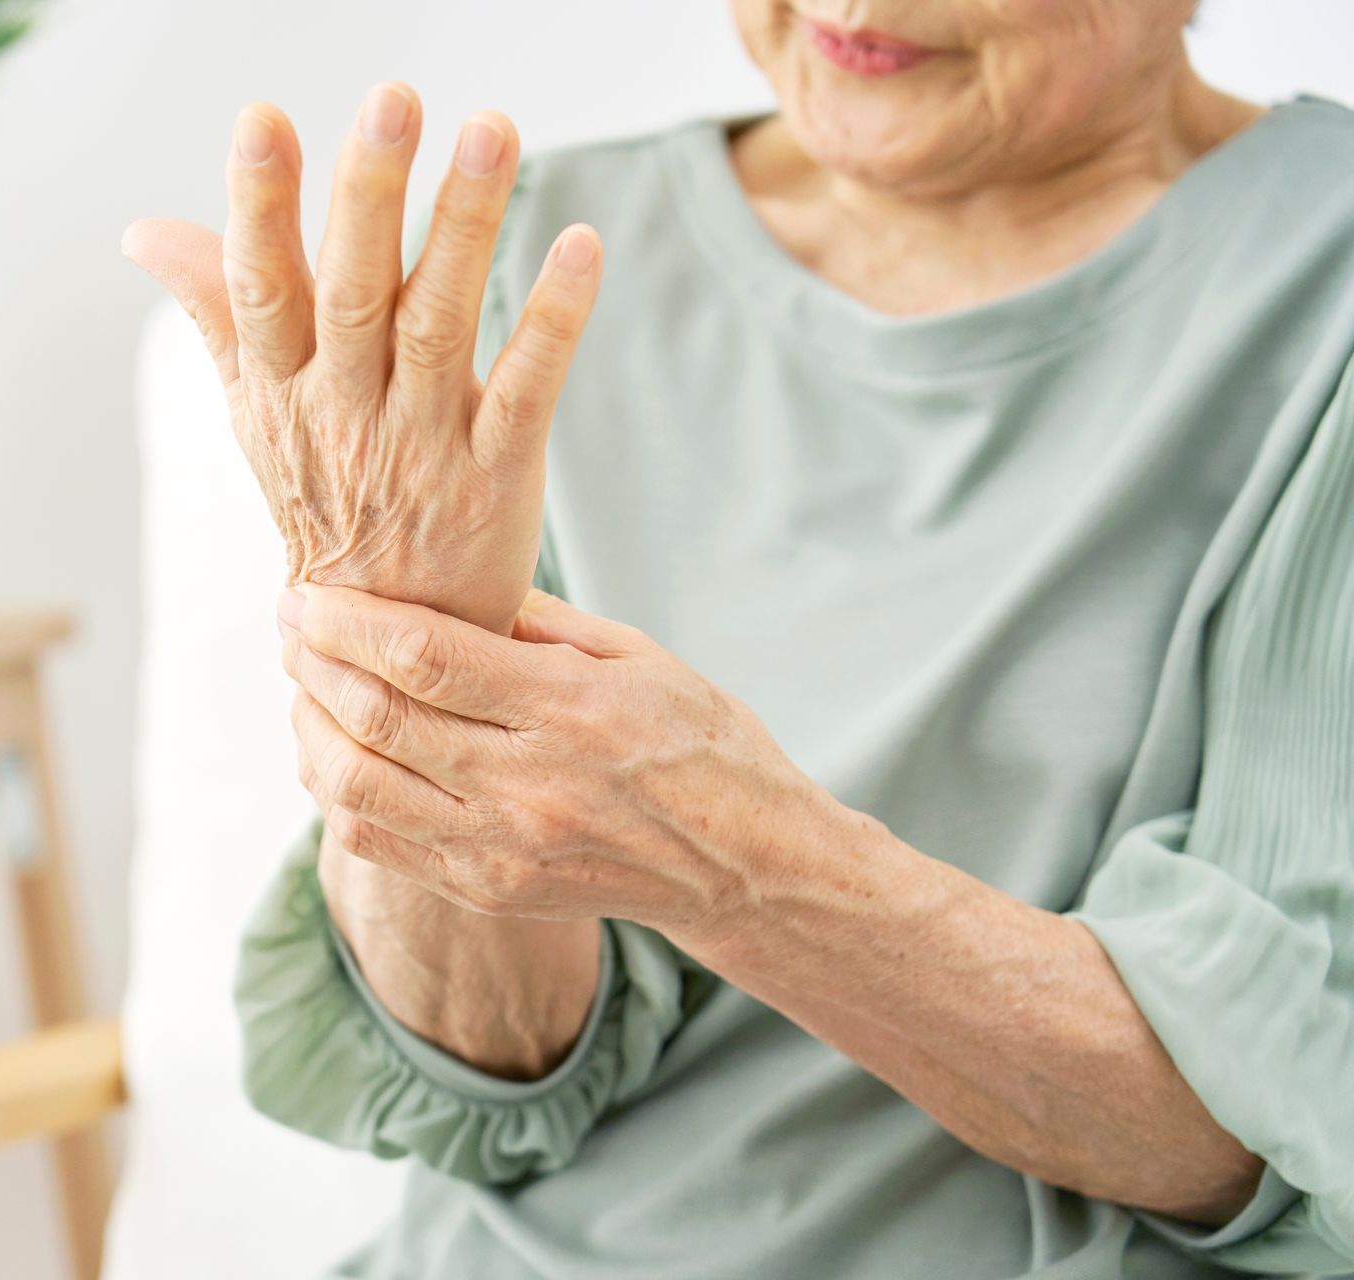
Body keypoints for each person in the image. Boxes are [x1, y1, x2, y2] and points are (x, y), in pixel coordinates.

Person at [122, 2, 1354, 1275]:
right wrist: (399, 652)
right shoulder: (527, 259)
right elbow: (488, 1080)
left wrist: (732, 858)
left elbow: (1267, 1118)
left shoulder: (1323, 291)